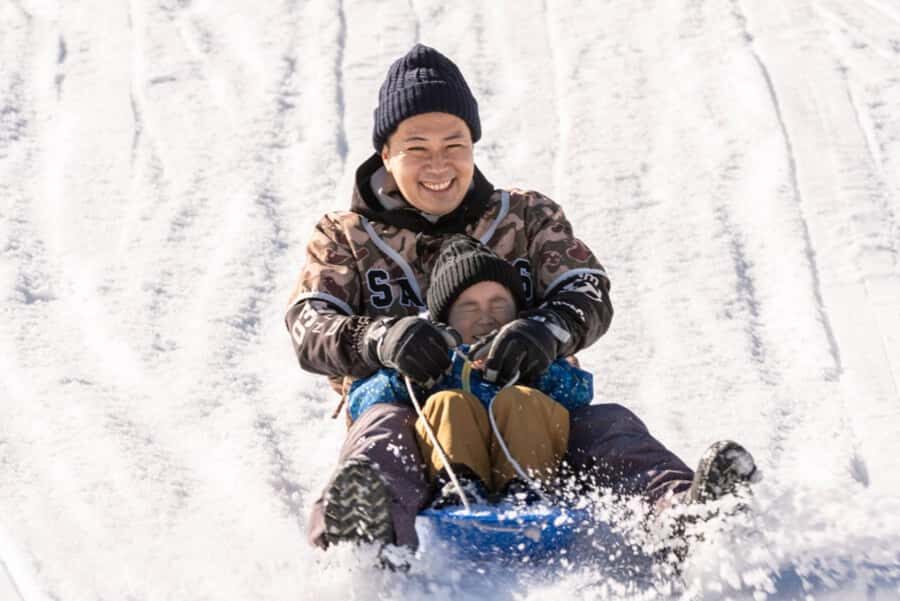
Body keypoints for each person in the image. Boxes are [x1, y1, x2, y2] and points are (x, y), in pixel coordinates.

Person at [284, 43, 757, 553]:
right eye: (416, 148)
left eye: (454, 144)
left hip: (536, 410)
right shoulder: (346, 236)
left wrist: (545, 330)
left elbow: (587, 288)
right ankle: (360, 541)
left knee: (610, 429)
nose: (438, 164)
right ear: (386, 154)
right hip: (413, 414)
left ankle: (684, 520)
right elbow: (309, 323)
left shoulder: (525, 217)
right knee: (381, 437)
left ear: (473, 145)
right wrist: (379, 336)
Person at [346, 235, 597, 508]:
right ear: (446, 320)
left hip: (533, 468)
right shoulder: (434, 360)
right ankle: (458, 486)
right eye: (468, 307)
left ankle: (528, 490)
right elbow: (362, 402)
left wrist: (537, 370)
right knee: (448, 402)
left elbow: (579, 395)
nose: (485, 317)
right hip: (450, 471)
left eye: (499, 304)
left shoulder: (529, 355)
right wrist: (406, 378)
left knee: (521, 399)